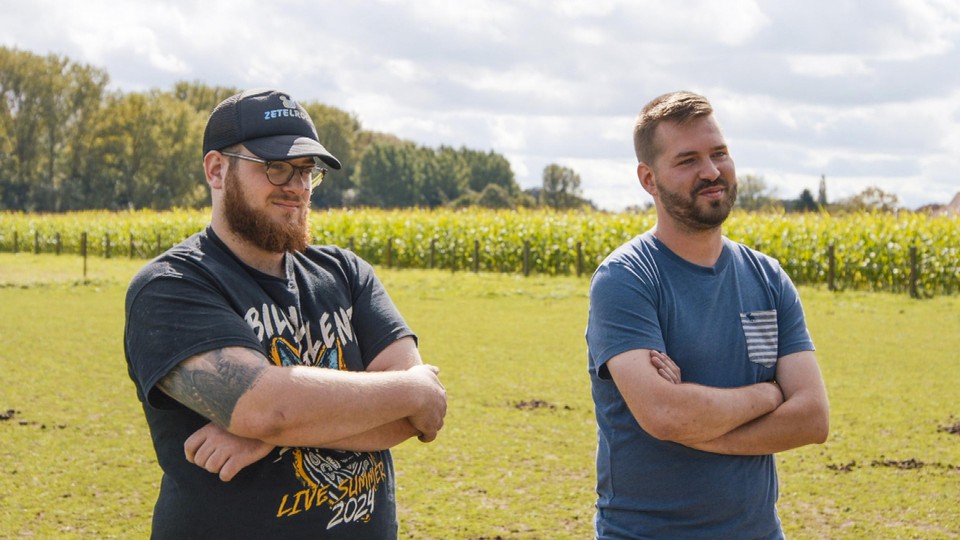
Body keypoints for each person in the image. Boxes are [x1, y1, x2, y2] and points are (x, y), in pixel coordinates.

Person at [124, 88, 447, 539]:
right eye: (275, 167)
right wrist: (404, 391)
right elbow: (265, 406)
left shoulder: (347, 273)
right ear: (217, 169)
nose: (296, 187)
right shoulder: (172, 287)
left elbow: (419, 416)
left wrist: (267, 433)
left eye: (306, 171)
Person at [585, 91, 829, 539]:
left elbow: (813, 418)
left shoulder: (768, 278)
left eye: (719, 153)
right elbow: (665, 415)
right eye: (688, 160)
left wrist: (702, 431)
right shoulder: (626, 278)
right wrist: (770, 394)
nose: (712, 171)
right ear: (649, 179)